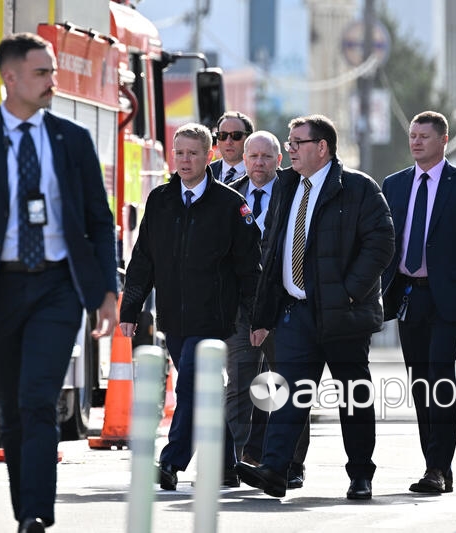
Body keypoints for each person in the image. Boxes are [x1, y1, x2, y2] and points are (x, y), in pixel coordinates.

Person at [0, 33, 117, 533]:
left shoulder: (72, 140)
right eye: (42, 73)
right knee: (11, 409)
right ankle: (25, 509)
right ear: (10, 78)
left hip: (58, 288)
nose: (52, 81)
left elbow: (100, 221)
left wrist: (107, 292)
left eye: (53, 72)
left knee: (39, 400)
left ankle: (35, 515)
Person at [237, 114, 395, 500]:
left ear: (321, 147)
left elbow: (382, 244)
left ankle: (360, 474)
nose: (289, 149)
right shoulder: (287, 186)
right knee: (288, 393)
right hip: (296, 312)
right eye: (289, 143)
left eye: (296, 143)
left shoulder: (358, 189)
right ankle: (275, 468)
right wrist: (264, 314)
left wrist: (349, 292)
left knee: (352, 397)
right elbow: (272, 253)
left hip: (344, 314)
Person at [119, 122, 261, 492]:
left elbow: (250, 267)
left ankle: (171, 462)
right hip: (175, 318)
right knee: (205, 392)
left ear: (208, 155)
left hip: (214, 318)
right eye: (179, 152)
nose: (184, 160)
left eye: (193, 153)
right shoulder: (161, 199)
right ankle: (227, 465)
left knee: (191, 388)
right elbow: (143, 259)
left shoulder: (231, 205)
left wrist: (258, 317)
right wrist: (130, 309)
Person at [381, 110, 456, 494]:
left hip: (448, 296)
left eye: (424, 136)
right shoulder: (394, 185)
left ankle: (436, 467)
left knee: (439, 375)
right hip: (407, 295)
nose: (416, 142)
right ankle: (437, 466)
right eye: (412, 136)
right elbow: (384, 243)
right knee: (419, 382)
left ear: (443, 140)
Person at [225, 131, 310, 490]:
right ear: (244, 159)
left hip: (282, 304)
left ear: (279, 159)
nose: (259, 163)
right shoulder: (228, 196)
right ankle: (232, 462)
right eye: (253, 156)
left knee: (286, 385)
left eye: (266, 156)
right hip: (241, 306)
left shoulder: (295, 192)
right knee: (240, 384)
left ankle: (291, 464)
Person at [209, 111, 254, 184]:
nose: (228, 142)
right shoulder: (204, 173)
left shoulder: (261, 172)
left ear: (249, 139)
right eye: (222, 135)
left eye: (236, 135)